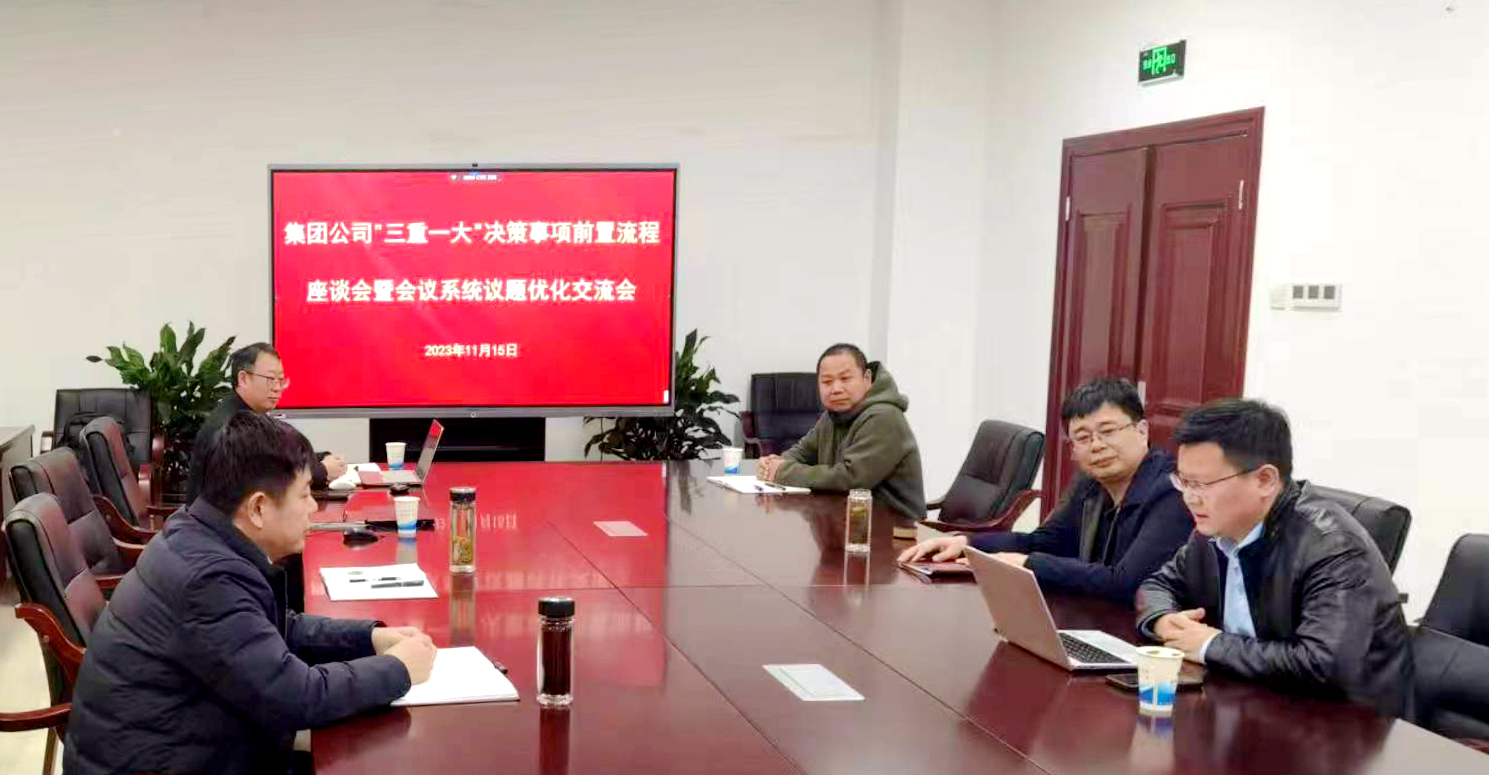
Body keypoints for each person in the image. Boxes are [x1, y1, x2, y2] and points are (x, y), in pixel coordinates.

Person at [65, 412, 436, 775]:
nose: (313, 507)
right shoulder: (207, 581)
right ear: (258, 508)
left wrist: (369, 637)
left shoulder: (196, 533)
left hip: (186, 745)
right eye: (304, 494)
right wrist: (398, 668)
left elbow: (270, 628)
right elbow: (296, 697)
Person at [1136, 399, 1412, 716]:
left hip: (1343, 724)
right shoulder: (1214, 529)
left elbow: (1324, 664)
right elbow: (1157, 585)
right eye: (1184, 482)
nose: (1190, 497)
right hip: (1251, 703)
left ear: (1264, 480)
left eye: (1202, 484)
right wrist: (1164, 621)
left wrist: (1209, 645)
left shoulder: (1334, 548)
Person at [898, 377, 1193, 603]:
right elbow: (1046, 541)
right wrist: (970, 543)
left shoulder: (1172, 491)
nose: (1097, 445)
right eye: (1083, 437)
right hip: (1094, 619)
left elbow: (1127, 584)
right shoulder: (1090, 482)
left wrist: (1029, 564)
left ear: (1142, 431)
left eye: (1108, 432)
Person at [757, 343, 925, 539]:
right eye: (827, 382)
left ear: (867, 379)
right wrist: (775, 463)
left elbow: (851, 478)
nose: (836, 389)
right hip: (848, 524)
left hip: (894, 534)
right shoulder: (833, 415)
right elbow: (803, 451)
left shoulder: (884, 417)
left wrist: (782, 472)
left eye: (845, 379)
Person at [186, 342, 347, 503]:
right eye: (270, 379)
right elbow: (275, 476)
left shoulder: (245, 413)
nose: (277, 388)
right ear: (243, 379)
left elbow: (279, 457)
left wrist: (321, 458)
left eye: (281, 380)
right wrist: (323, 471)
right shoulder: (234, 425)